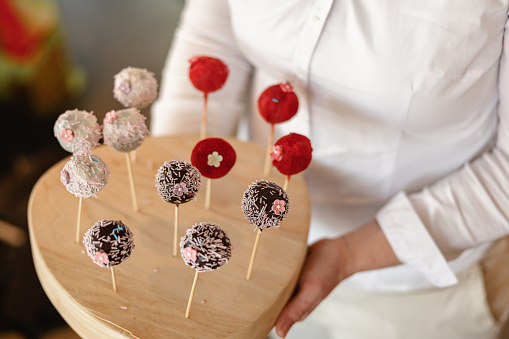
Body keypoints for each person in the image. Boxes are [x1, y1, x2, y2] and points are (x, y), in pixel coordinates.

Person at [151, 1, 509, 338]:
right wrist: (181, 179)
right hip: (255, 253)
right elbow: (215, 33)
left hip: (415, 291)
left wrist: (350, 254)